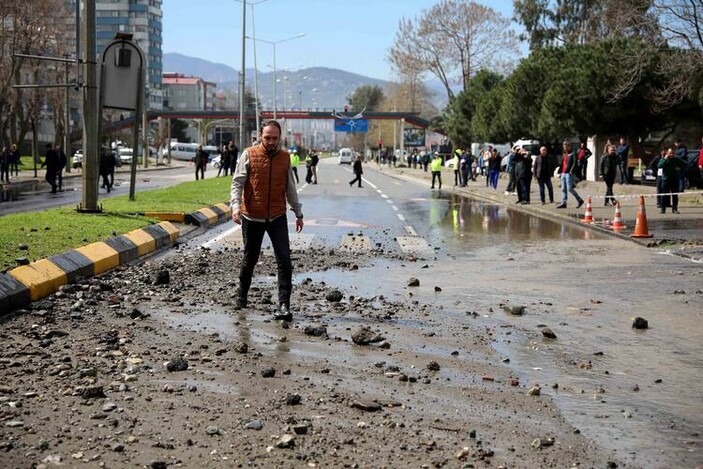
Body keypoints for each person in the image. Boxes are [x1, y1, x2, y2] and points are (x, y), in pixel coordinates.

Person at [230, 120, 304, 320]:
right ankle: (241, 297)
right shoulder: (249, 154)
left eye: (274, 138)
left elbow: (290, 188)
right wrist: (235, 206)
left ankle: (283, 305)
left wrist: (298, 213)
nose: (271, 141)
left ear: (280, 138)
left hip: (277, 216)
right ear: (260, 137)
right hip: (252, 216)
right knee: (250, 258)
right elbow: (237, 183)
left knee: (284, 261)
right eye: (267, 137)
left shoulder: (285, 158)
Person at [556, 141, 584, 209]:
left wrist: (571, 171)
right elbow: (562, 163)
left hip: (569, 173)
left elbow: (575, 163)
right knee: (563, 189)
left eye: (566, 146)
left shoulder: (573, 153)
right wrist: (559, 171)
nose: (565, 148)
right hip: (563, 173)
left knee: (570, 189)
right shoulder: (565, 154)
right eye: (564, 147)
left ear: (569, 146)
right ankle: (564, 203)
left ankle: (580, 200)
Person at [658, 147, 686, 214]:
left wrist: (679, 169)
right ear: (667, 153)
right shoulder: (663, 159)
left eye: (673, 153)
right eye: (670, 153)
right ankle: (663, 208)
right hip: (665, 179)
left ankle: (675, 208)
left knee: (675, 195)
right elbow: (660, 165)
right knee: (664, 194)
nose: (671, 154)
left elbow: (685, 164)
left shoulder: (676, 159)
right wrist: (665, 159)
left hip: (674, 179)